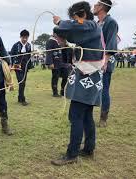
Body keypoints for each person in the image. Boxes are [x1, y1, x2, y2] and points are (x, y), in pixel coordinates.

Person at [50, 1, 104, 166]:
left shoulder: (88, 25)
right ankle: (88, 148)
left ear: (81, 15)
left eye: (74, 18)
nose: (73, 21)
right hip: (92, 77)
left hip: (88, 77)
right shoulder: (91, 28)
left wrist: (59, 22)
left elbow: (69, 27)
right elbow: (73, 33)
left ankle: (72, 153)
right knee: (86, 115)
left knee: (76, 114)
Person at [93, 0, 119, 127]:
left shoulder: (111, 22)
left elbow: (111, 43)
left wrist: (105, 61)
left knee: (104, 89)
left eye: (96, 5)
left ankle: (103, 118)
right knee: (92, 87)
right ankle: (87, 115)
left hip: (106, 61)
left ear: (102, 7)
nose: (93, 6)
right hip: (94, 61)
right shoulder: (96, 23)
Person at [45, 33, 72, 97]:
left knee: (65, 76)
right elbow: (49, 52)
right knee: (55, 77)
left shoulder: (63, 40)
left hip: (63, 62)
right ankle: (55, 92)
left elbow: (67, 51)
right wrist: (50, 63)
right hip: (55, 63)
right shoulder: (50, 41)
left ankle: (63, 91)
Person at [10, 29, 32, 106]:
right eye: (23, 37)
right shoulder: (16, 45)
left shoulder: (29, 45)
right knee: (21, 82)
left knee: (23, 83)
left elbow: (29, 56)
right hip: (17, 67)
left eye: (26, 37)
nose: (25, 39)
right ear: (20, 37)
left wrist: (29, 66)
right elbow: (11, 55)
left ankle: (20, 97)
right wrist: (10, 65)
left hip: (25, 66)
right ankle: (23, 99)